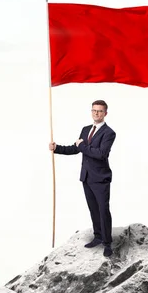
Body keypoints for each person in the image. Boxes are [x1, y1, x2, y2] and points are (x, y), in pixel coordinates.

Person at [49, 100, 117, 257]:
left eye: (100, 111)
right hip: (86, 176)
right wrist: (57, 148)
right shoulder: (86, 130)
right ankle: (98, 236)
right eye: (94, 110)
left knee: (103, 210)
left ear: (105, 113)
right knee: (93, 209)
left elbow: (101, 154)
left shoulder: (109, 133)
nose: (96, 113)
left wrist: (82, 146)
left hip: (101, 178)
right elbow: (76, 148)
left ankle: (107, 243)